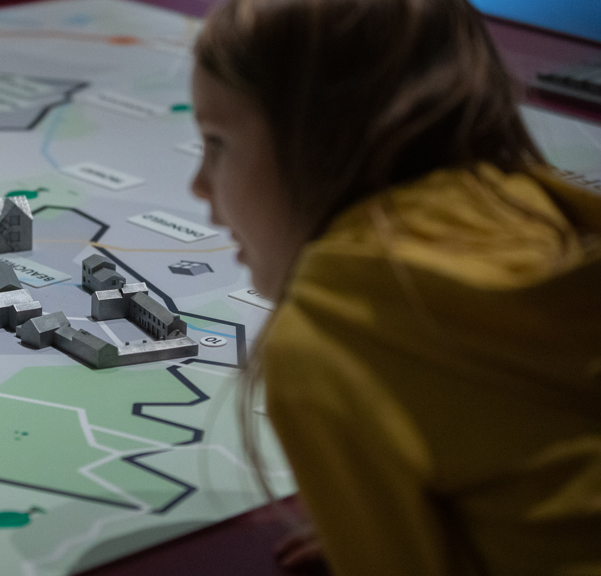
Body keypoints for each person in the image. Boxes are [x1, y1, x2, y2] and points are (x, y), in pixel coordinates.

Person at [188, 0, 601, 574]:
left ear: (321, 139)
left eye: (216, 144)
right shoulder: (529, 206)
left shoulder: (324, 339)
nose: (199, 185)